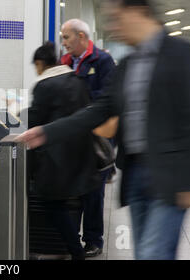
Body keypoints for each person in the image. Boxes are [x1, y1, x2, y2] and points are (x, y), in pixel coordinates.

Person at [16, 0, 190, 260]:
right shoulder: (127, 65)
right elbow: (98, 110)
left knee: (154, 254)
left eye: (116, 18)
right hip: (136, 173)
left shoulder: (180, 54)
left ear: (138, 11)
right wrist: (46, 132)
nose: (113, 27)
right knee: (148, 253)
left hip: (169, 175)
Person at [27, 41, 101, 260]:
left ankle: (75, 250)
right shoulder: (76, 81)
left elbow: (35, 121)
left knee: (54, 204)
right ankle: (84, 243)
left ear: (40, 64)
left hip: (56, 158)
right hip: (81, 152)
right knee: (80, 200)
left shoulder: (44, 85)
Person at [60, 18, 116, 257]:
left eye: (66, 37)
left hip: (95, 139)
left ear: (81, 37)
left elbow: (109, 100)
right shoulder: (64, 63)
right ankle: (70, 239)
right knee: (71, 190)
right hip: (71, 138)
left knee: (93, 192)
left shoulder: (101, 61)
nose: (63, 43)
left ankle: (94, 239)